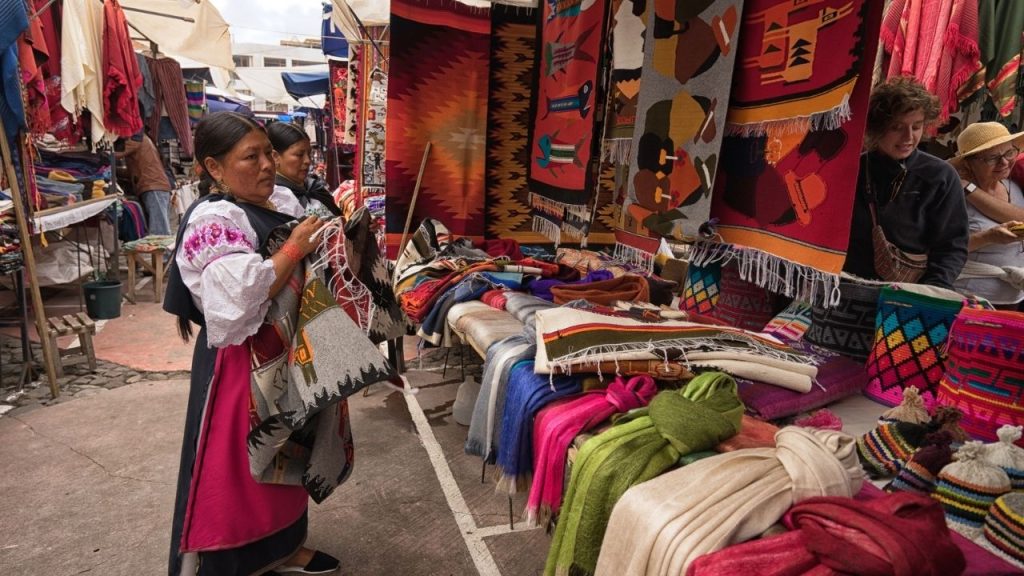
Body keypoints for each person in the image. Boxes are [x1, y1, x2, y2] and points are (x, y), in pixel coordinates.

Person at [163, 112, 340, 576]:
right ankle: (229, 560)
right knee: (239, 468)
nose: (267, 165)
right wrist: (294, 248)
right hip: (239, 366)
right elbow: (240, 295)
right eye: (251, 157)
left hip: (282, 354)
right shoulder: (214, 220)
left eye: (268, 153)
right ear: (214, 168)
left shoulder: (274, 201)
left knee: (286, 451)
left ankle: (283, 547)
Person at [843, 77, 969, 288]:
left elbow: (951, 245)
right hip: (847, 287)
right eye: (897, 127)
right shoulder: (852, 171)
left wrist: (930, 292)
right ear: (877, 127)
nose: (908, 137)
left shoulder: (941, 176)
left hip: (911, 292)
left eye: (917, 127)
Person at [949, 122, 1024, 308]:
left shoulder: (1014, 186)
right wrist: (987, 237)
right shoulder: (952, 196)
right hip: (968, 298)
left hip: (1013, 298)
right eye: (992, 158)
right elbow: (940, 249)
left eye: (1009, 153)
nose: (1004, 162)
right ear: (968, 162)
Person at [267, 122, 341, 219]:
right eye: (299, 155)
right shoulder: (274, 199)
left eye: (309, 154)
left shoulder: (315, 189)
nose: (307, 161)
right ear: (275, 157)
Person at [121, 133, 173, 235]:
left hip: (153, 186)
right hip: (155, 186)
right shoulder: (142, 138)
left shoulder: (135, 139)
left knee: (159, 231)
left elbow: (114, 154)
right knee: (159, 228)